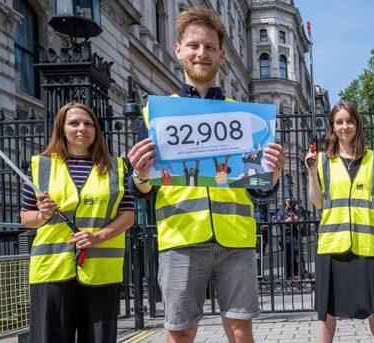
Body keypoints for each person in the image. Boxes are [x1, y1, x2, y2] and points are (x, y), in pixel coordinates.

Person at [125, 6, 286, 343]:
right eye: (194, 45)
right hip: (181, 239)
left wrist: (272, 174)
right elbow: (139, 189)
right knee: (180, 333)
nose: (202, 53)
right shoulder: (155, 114)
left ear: (222, 55)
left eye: (210, 47)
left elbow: (260, 189)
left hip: (235, 240)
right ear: (178, 49)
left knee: (241, 334)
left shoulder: (242, 116)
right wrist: (139, 175)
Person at [20, 102, 134, 343]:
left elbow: (128, 215)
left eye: (88, 123)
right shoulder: (41, 166)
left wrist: (97, 237)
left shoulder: (116, 168)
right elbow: (26, 218)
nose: (82, 128)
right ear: (61, 128)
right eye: (74, 123)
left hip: (101, 272)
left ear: (96, 129)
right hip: (52, 270)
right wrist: (44, 215)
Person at [305, 100, 374, 343]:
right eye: (339, 122)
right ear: (332, 126)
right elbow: (318, 203)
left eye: (349, 121)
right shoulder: (321, 161)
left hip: (367, 242)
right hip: (332, 243)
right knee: (327, 308)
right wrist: (311, 173)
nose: (345, 126)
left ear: (357, 124)